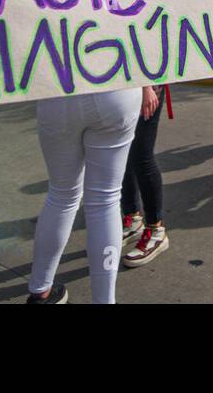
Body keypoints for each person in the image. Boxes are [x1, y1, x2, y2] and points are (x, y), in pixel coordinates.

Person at [26, 87, 142, 304]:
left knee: (61, 195)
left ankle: (40, 289)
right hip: (117, 89)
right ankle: (104, 300)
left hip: (57, 92)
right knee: (105, 201)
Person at [120, 85, 171, 268]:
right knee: (123, 156)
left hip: (146, 85)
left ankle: (156, 230)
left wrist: (146, 87)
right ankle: (133, 219)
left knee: (142, 157)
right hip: (121, 87)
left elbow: (148, 55)